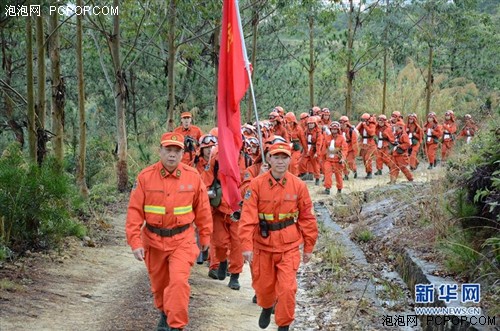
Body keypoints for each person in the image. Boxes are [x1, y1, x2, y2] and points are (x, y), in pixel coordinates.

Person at [125, 132, 213, 331]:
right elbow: (134, 211)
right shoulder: (145, 177)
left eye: (176, 151)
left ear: (183, 153)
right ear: (160, 151)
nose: (172, 155)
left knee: (179, 282)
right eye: (168, 150)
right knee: (160, 285)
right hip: (153, 241)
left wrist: (205, 236)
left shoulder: (193, 177)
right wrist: (134, 242)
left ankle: (176, 325)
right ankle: (165, 312)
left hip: (182, 240)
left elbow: (203, 210)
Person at [239, 142, 318, 331]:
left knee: (288, 289)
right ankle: (266, 306)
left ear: (290, 160)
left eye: (284, 157)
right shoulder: (256, 184)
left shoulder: (298, 185)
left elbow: (307, 217)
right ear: (269, 159)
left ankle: (283, 325)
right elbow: (248, 216)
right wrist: (246, 246)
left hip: (288, 245)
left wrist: (308, 246)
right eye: (276, 157)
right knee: (264, 287)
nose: (280, 161)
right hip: (263, 244)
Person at [321, 121, 348, 194]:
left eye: (335, 129)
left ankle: (339, 189)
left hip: (337, 160)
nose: (334, 131)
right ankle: (327, 189)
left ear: (338, 130)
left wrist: (342, 158)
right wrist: (322, 158)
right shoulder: (327, 138)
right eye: (332, 129)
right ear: (330, 129)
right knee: (327, 174)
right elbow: (324, 148)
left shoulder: (342, 138)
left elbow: (344, 149)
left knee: (338, 175)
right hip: (328, 160)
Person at [356, 113, 377, 178]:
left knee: (367, 158)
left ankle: (370, 172)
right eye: (362, 120)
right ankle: (368, 172)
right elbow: (356, 131)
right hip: (363, 144)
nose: (363, 121)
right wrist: (360, 124)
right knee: (364, 159)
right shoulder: (362, 124)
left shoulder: (372, 124)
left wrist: (365, 125)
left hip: (370, 143)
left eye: (365, 120)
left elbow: (371, 133)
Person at [339, 115, 358, 180]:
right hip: (343, 149)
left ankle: (354, 170)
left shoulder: (351, 131)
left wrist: (355, 151)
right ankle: (346, 175)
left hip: (350, 149)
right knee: (343, 162)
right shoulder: (339, 131)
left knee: (350, 162)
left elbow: (354, 142)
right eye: (341, 122)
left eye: (343, 122)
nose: (342, 124)